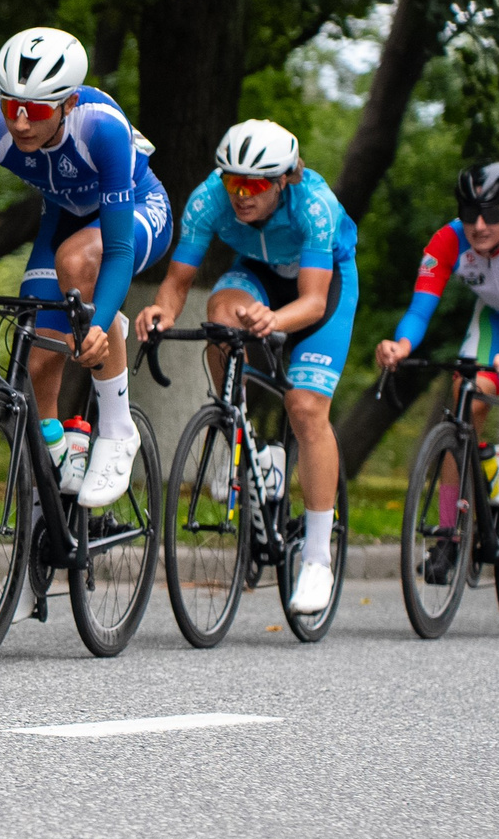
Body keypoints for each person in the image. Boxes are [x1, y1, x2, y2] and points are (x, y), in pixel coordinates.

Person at [0, 26, 172, 516]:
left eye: (39, 109)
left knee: (78, 263)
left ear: (68, 104)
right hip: (64, 218)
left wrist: (101, 320)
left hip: (134, 214)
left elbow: (113, 248)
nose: (22, 123)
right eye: (12, 106)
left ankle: (116, 429)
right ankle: (56, 462)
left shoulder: (101, 127)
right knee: (39, 355)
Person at [135, 120, 356, 616]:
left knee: (303, 406)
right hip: (256, 275)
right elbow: (177, 279)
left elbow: (315, 302)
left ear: (283, 181)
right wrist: (163, 313)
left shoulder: (315, 206)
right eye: (233, 181)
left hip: (322, 286)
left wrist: (274, 320)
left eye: (254, 185)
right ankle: (244, 441)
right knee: (219, 317)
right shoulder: (208, 198)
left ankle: (318, 558)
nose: (240, 194)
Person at [373, 163, 499, 560]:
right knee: (465, 402)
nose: (479, 226)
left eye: (493, 214)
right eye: (469, 214)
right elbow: (419, 310)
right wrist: (401, 345)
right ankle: (449, 531)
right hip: (495, 319)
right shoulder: (447, 241)